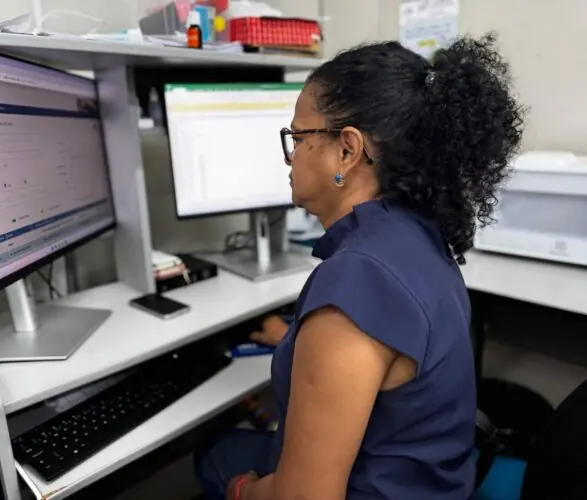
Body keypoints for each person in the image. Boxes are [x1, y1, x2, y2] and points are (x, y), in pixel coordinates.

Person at [195, 33, 524, 500]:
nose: (290, 157)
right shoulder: (417, 233)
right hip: (437, 483)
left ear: (347, 151)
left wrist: (242, 491)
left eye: (298, 138)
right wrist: (297, 339)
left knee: (215, 455)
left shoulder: (357, 280)